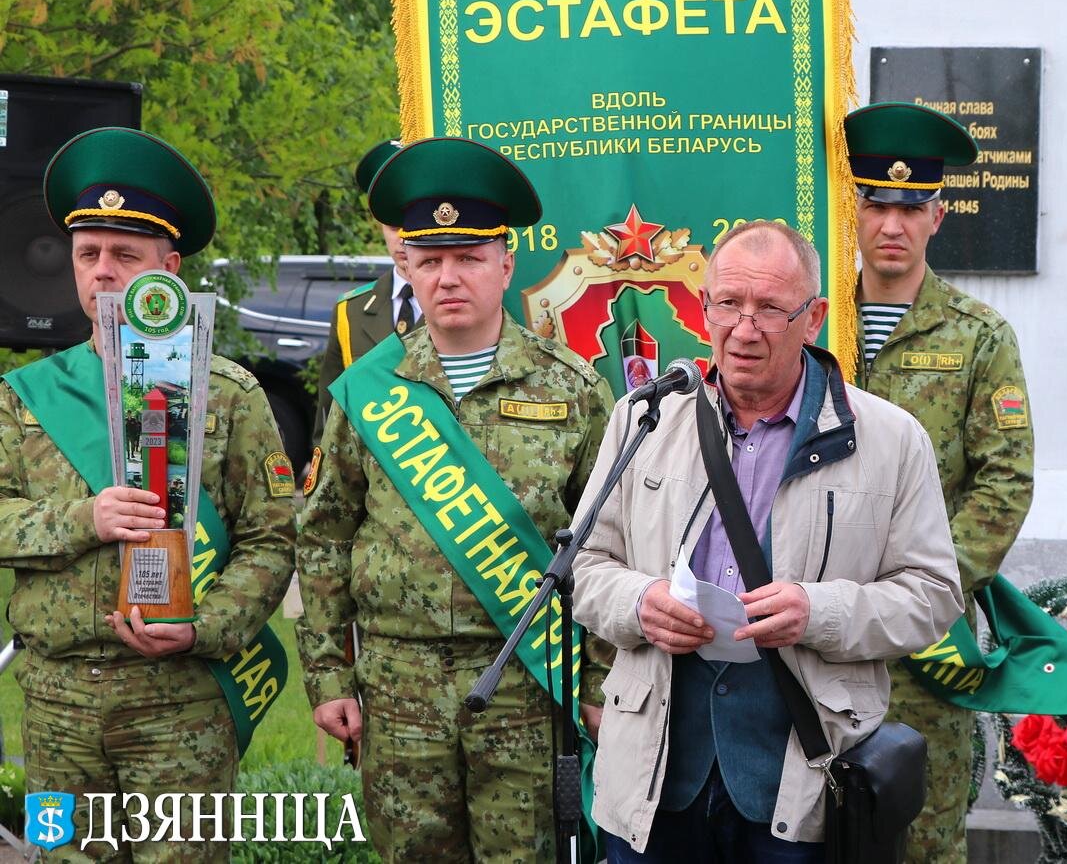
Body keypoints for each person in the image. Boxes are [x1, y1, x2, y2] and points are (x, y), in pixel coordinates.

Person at [571, 219, 964, 862]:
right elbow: (584, 564)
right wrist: (639, 602)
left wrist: (820, 612)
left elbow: (933, 593)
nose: (744, 328)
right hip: (654, 772)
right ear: (703, 310)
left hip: (804, 772)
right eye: (728, 303)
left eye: (770, 310)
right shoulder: (643, 419)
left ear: (814, 320)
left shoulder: (891, 440)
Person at [295, 136, 615, 862]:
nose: (448, 277)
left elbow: (610, 545)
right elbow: (323, 536)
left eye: (468, 258)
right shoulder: (372, 390)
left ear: (506, 264)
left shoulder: (573, 388)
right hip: (396, 686)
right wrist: (328, 674)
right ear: (406, 263)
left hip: (527, 690)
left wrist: (599, 680)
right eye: (430, 258)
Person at [0, 127, 296, 859]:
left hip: (182, 702)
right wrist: (83, 518)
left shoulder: (227, 394)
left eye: (124, 255)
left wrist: (207, 627)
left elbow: (274, 537)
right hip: (57, 703)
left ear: (169, 267)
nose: (103, 272)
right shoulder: (26, 398)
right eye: (88, 253)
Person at [845, 101, 1036, 863]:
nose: (892, 223)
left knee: (923, 842)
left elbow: (1005, 481)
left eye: (911, 207)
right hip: (814, 636)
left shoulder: (979, 336)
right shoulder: (811, 327)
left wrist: (919, 593)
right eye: (877, 203)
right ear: (852, 205)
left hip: (926, 648)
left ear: (938, 215)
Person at [312, 138, 422, 447]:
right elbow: (330, 410)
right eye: (392, 226)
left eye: (411, 227)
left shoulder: (461, 303)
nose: (402, 240)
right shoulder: (352, 311)